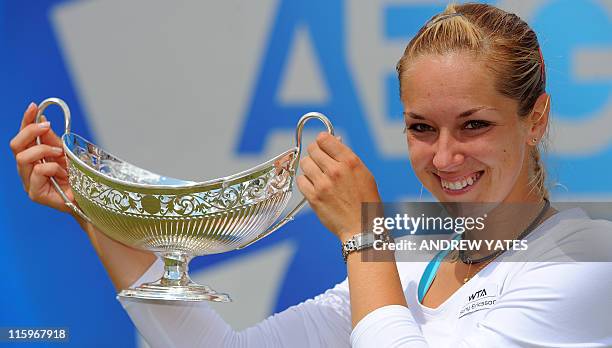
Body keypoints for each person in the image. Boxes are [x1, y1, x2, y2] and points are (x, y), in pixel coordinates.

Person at [10, 3, 612, 347]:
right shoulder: (403, 264)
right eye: (421, 128)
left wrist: (362, 233)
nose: (445, 157)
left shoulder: (587, 263)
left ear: (536, 120)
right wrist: (92, 202)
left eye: (474, 126)